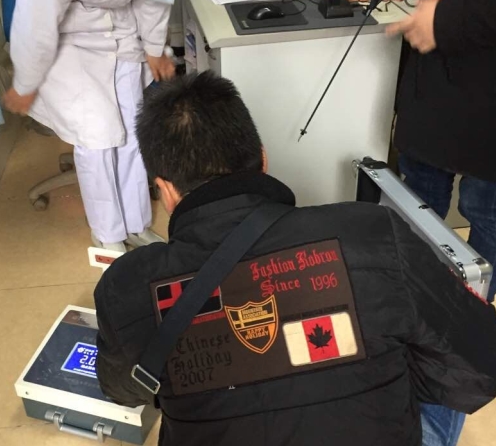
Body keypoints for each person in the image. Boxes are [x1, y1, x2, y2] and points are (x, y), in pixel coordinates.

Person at [94, 72, 496, 446]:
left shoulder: (127, 285)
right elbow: (480, 366)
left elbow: (124, 390)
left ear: (165, 190)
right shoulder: (370, 231)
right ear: (263, 159)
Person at [3, 0, 194, 252]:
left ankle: (135, 225)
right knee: (98, 135)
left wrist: (153, 47)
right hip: (67, 35)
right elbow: (37, 18)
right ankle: (108, 236)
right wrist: (26, 80)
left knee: (133, 130)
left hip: (121, 24)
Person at [382, 0, 496, 303]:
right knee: (416, 193)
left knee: (484, 211)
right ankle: (410, 306)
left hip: (486, 77)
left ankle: (465, 322)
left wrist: (448, 18)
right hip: (436, 66)